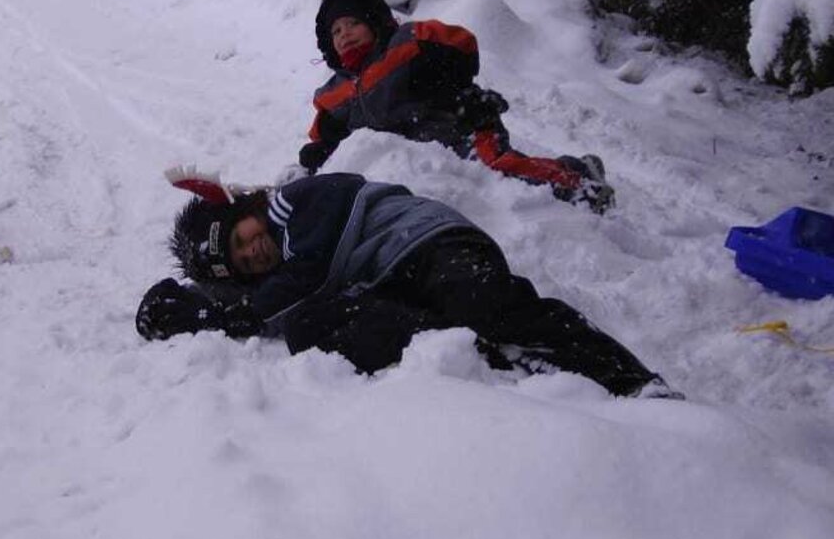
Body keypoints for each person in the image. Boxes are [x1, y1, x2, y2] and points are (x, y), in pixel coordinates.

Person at [136, 173, 678, 398]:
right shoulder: (286, 275)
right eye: (242, 265)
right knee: (312, 326)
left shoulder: (295, 201)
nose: (252, 253)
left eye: (240, 240)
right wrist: (197, 307)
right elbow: (287, 301)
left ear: (242, 214)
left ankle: (633, 383)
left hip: (430, 247)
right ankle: (478, 356)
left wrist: (220, 312)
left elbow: (305, 275)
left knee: (484, 301)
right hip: (392, 284)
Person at [292, 0, 614, 213]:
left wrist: (455, 88)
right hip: (425, 156)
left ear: (374, 22)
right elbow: (326, 136)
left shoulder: (405, 43)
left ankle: (580, 183)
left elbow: (461, 45)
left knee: (496, 166)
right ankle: (571, 167)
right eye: (336, 31)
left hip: (460, 125)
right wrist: (315, 156)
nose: (344, 34)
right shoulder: (335, 93)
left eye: (352, 23)